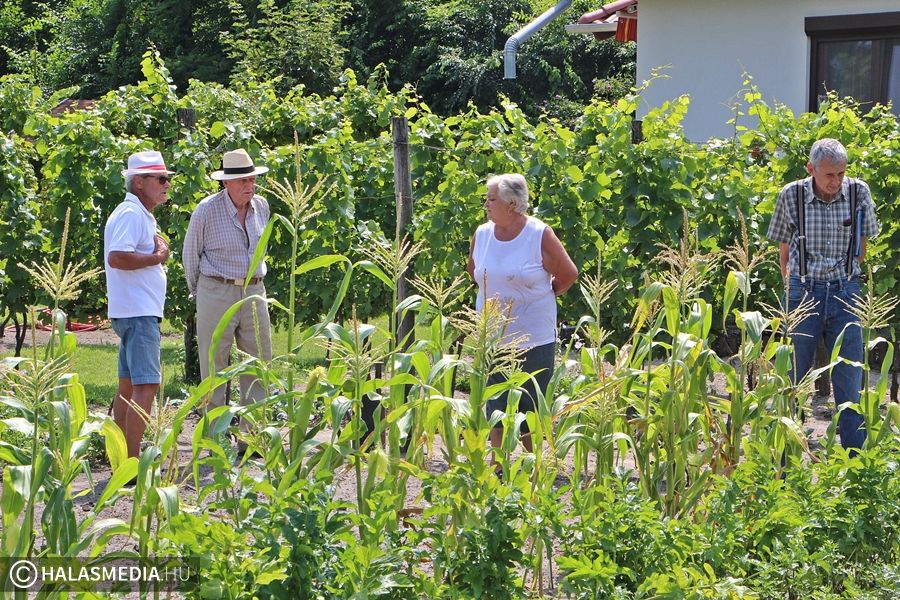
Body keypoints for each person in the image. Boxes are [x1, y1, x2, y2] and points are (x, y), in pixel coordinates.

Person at [767, 138, 879, 450]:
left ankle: (855, 458)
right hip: (803, 291)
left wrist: (846, 275)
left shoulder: (858, 192)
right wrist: (793, 289)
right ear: (811, 169)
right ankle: (787, 452)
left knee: (850, 376)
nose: (837, 181)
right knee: (793, 375)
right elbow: (784, 253)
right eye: (829, 175)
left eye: (841, 174)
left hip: (846, 291)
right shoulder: (792, 196)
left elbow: (861, 250)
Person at [466, 173, 578, 459]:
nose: (486, 205)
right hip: (493, 335)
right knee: (496, 402)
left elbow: (568, 274)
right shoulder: (482, 234)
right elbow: (474, 271)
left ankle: (532, 463)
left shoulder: (539, 234)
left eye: (491, 199)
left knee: (530, 402)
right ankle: (498, 463)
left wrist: (540, 295)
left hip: (534, 336)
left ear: (512, 204)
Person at [182, 149, 273, 450]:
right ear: (226, 183)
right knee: (214, 364)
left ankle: (252, 438)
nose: (250, 185)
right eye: (242, 180)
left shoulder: (261, 207)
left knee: (258, 362)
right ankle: (214, 440)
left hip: (254, 290)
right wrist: (202, 294)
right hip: (216, 289)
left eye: (252, 179)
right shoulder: (206, 210)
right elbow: (190, 255)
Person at [104, 150, 173, 458]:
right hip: (138, 313)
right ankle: (131, 460)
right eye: (160, 178)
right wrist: (157, 258)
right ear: (140, 182)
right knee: (147, 386)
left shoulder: (136, 213)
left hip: (133, 311)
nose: (166, 184)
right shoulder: (131, 214)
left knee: (129, 387)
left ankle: (121, 457)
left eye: (167, 178)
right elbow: (117, 257)